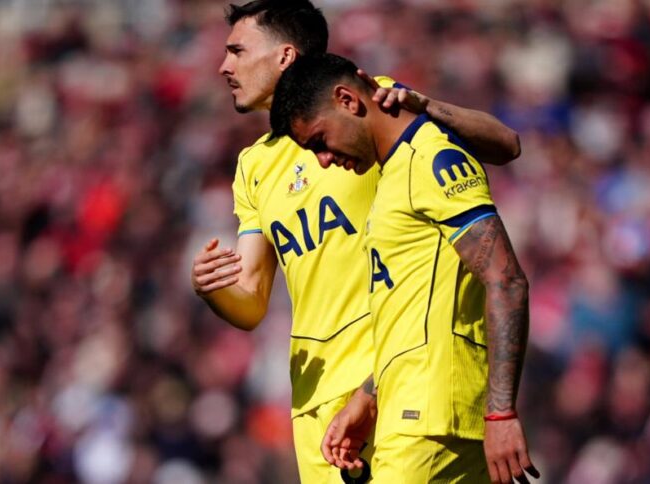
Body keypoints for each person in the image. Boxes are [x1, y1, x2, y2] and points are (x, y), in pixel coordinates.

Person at [191, 1, 521, 481]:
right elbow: (252, 302)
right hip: (315, 399)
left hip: (390, 381)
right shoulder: (254, 167)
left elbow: (504, 145)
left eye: (237, 50)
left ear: (284, 55)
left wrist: (423, 104)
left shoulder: (369, 103)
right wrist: (214, 290)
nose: (224, 66)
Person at [268, 52, 540, 484]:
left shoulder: (427, 159)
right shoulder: (393, 175)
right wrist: (369, 394)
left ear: (347, 100)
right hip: (418, 412)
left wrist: (502, 411)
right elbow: (414, 311)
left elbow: (506, 279)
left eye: (320, 140)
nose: (323, 159)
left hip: (427, 421)